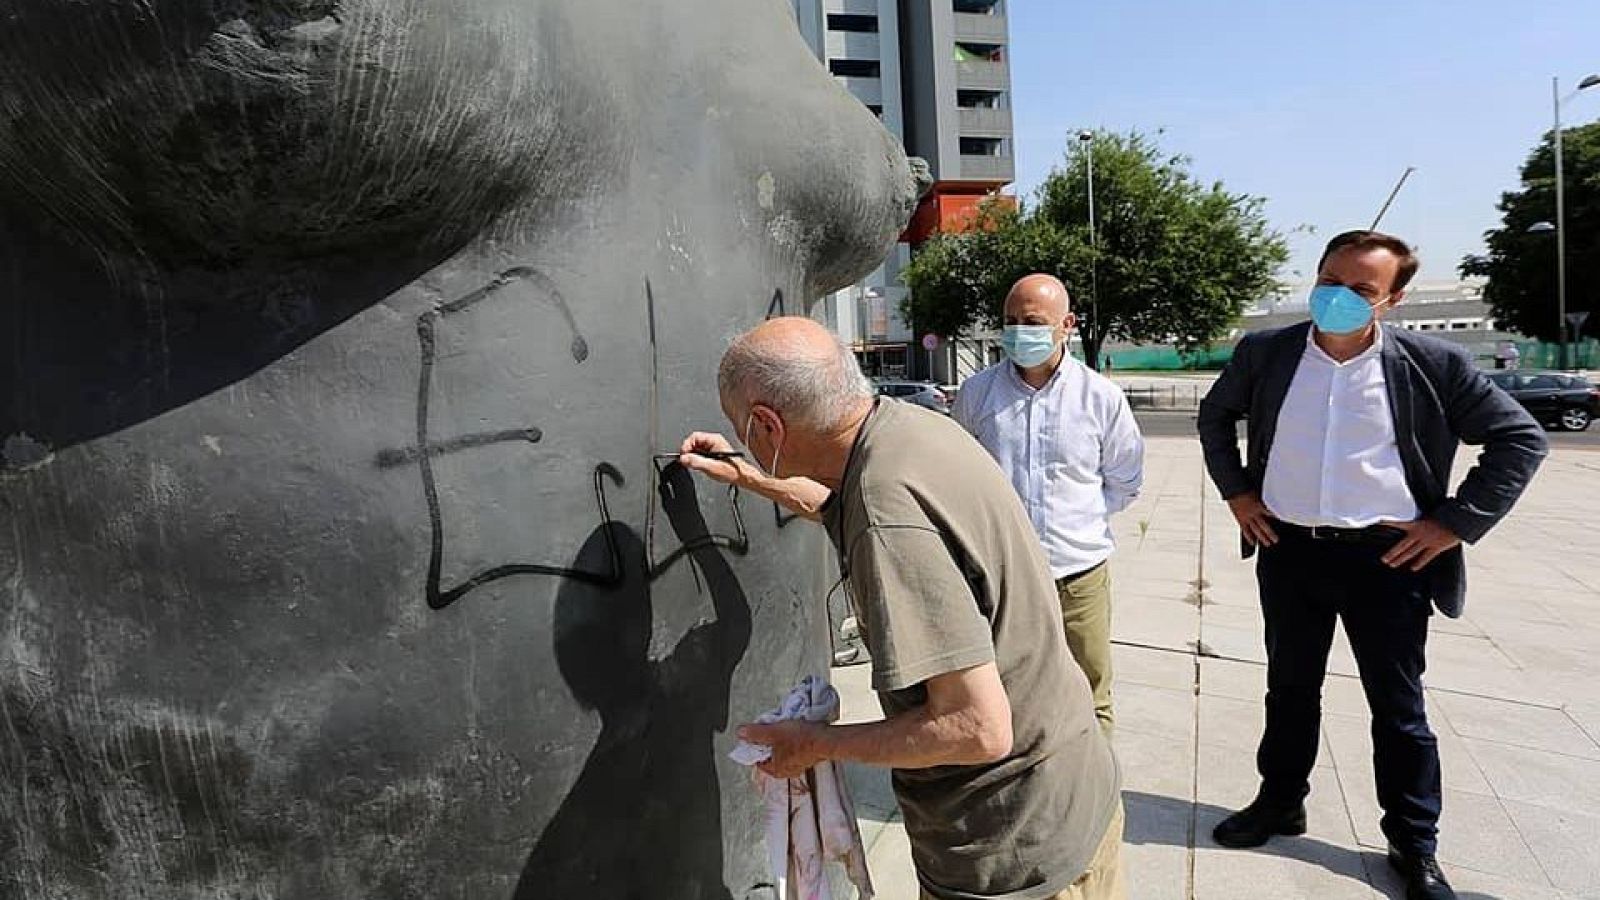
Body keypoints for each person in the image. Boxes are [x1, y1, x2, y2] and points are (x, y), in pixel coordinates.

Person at [680, 317, 1124, 900]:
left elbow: (976, 728)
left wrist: (813, 744)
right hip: (1076, 799)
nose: (745, 440)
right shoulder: (909, 432)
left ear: (768, 424)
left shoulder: (885, 512)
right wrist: (751, 475)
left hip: (1015, 853)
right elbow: (845, 504)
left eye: (745, 429)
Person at [1196, 231, 1547, 900]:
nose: (1339, 298)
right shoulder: (1268, 353)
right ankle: (1280, 800)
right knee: (1289, 687)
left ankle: (1413, 845)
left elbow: (1520, 438)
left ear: (1392, 299)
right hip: (1289, 548)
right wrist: (1239, 492)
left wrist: (1452, 525)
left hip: (1387, 559)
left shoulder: (1431, 363)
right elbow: (1216, 416)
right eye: (1330, 281)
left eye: (1360, 290)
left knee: (1398, 707)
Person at [951, 274, 1144, 734]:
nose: (1019, 331)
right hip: (999, 579)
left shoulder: (1100, 398)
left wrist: (1073, 520)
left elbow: (1125, 481)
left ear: (1067, 325)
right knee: (1003, 694)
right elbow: (958, 475)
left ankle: (1094, 802)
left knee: (1090, 695)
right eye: (1010, 321)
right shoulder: (977, 395)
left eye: (1033, 321)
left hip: (1077, 577)